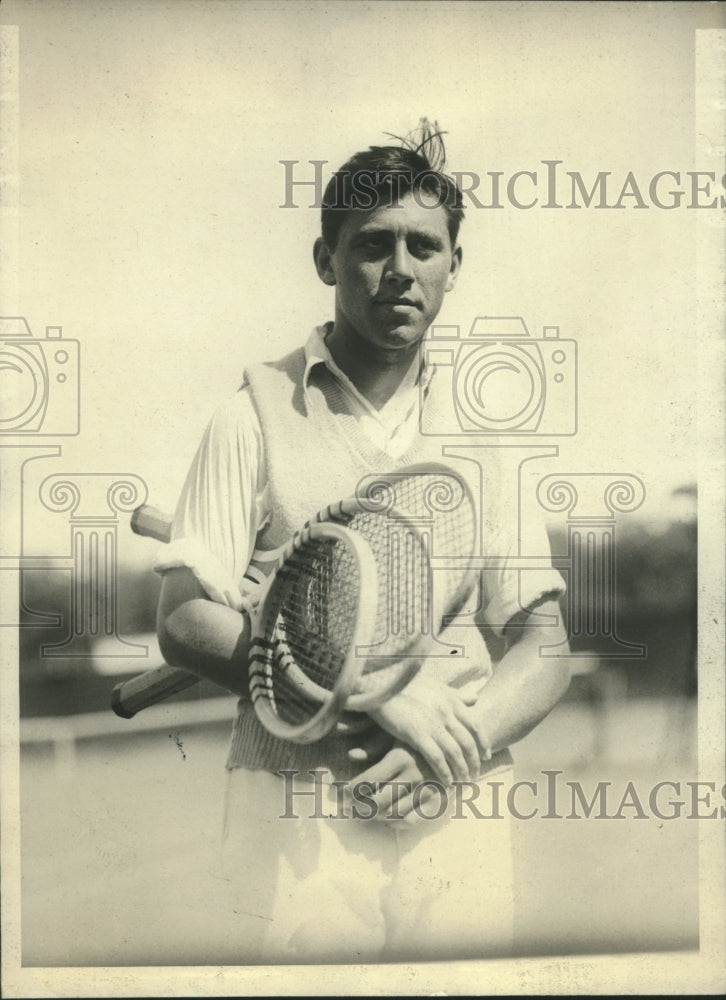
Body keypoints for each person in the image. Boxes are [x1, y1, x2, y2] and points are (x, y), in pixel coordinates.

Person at [154, 119, 570, 963]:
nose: (400, 270)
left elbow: (544, 643)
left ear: (455, 266)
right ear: (325, 260)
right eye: (373, 244)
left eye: (425, 246)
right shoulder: (252, 412)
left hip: (456, 807)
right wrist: (376, 695)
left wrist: (460, 746)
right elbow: (187, 619)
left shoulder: (488, 437)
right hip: (291, 807)